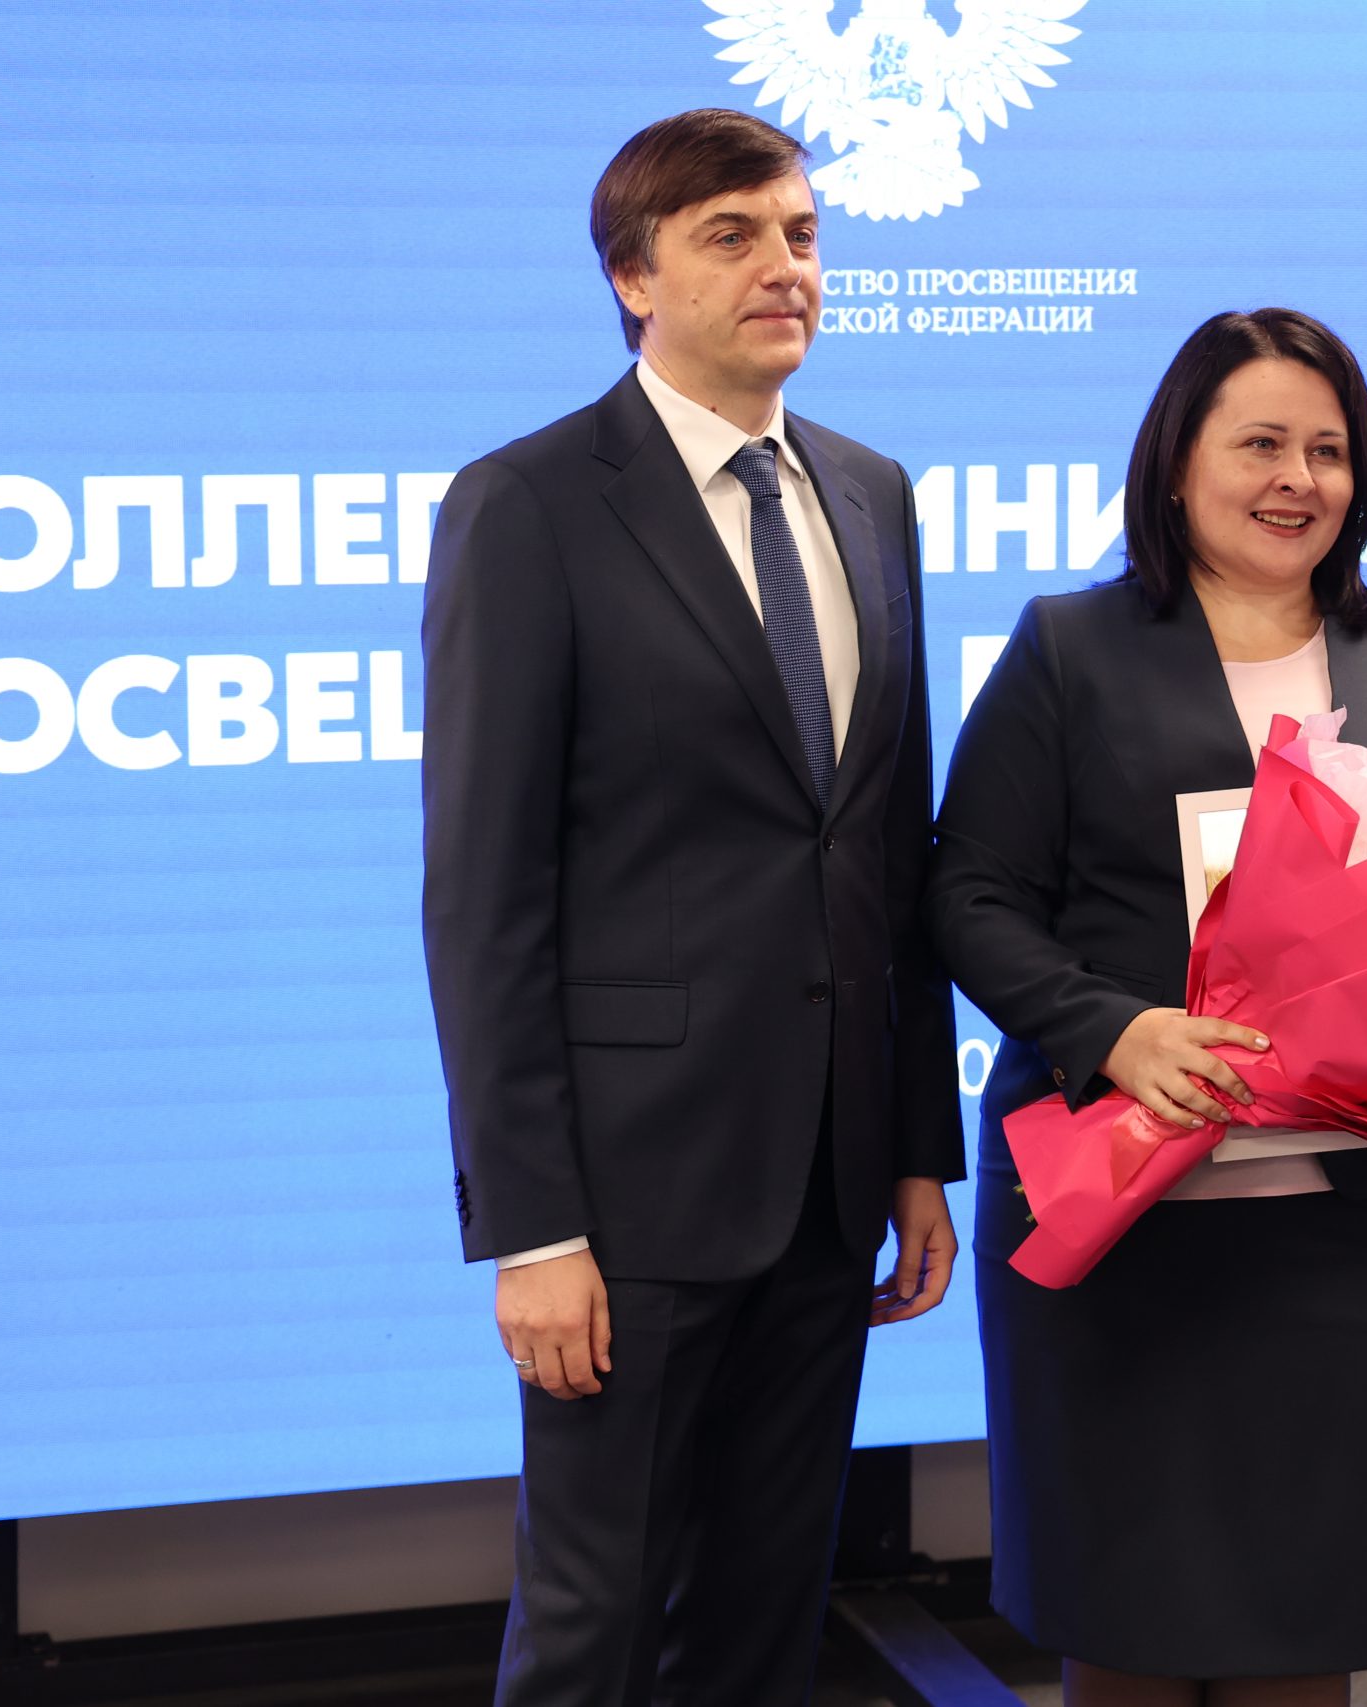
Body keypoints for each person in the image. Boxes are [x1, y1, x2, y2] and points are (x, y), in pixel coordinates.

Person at [419, 108, 964, 1707]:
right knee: (593, 1628)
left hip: (831, 1177)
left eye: (800, 233)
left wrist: (916, 1145)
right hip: (628, 1196)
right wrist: (534, 1228)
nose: (783, 266)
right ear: (633, 279)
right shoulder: (529, 505)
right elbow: (484, 899)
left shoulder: (871, 492)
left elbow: (891, 855)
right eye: (732, 236)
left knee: (763, 1619)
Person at [928, 309, 1367, 1707]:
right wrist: (1112, 1029)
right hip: (1119, 1219)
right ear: (1177, 463)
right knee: (1124, 1633)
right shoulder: (1070, 648)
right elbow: (969, 893)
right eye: (1260, 444)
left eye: (1328, 450)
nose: (1297, 478)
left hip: (1347, 1241)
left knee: (1303, 1635)